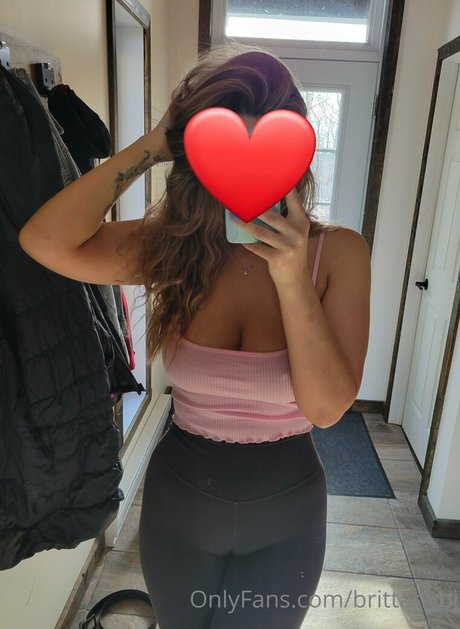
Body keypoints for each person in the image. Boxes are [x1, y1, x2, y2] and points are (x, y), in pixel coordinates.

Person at [19, 41, 371, 629]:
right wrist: (155, 144)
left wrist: (291, 278)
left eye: (267, 152)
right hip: (178, 509)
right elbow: (45, 241)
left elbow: (327, 408)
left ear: (297, 155)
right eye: (228, 152)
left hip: (287, 521)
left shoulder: (338, 254)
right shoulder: (174, 246)